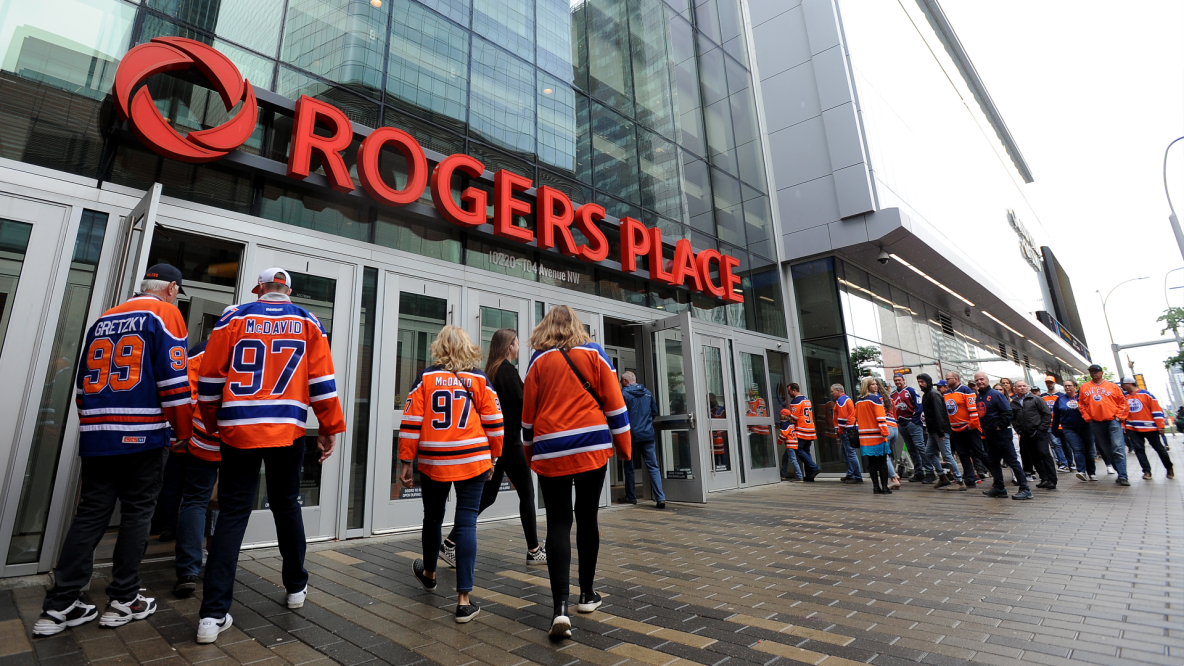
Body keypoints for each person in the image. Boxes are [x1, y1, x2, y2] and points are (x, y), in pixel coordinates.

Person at [33, 265, 192, 637]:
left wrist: (95, 427)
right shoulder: (166, 313)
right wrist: (183, 431)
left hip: (98, 434)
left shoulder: (104, 317)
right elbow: (174, 381)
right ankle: (123, 598)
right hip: (143, 434)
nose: (175, 297)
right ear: (171, 287)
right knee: (138, 513)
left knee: (90, 514)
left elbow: (81, 389)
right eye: (176, 291)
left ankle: (60, 605)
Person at [195, 268, 345, 644]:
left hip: (239, 427)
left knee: (232, 513)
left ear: (258, 289)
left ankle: (211, 616)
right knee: (286, 504)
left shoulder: (233, 316)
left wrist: (213, 421)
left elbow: (210, 378)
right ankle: (296, 588)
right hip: (285, 430)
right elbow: (322, 382)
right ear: (289, 291)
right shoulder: (308, 321)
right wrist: (328, 428)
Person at [522, 306, 631, 640]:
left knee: (557, 523)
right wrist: (626, 448)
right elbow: (615, 405)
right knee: (587, 517)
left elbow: (528, 417)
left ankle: (560, 609)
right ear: (577, 327)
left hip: (551, 447)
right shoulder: (595, 354)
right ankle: (587, 595)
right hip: (591, 447)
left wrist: (530, 452)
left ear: (546, 328)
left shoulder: (537, 360)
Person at [400, 325, 504, 623]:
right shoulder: (480, 379)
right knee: (467, 520)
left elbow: (410, 421)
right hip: (473, 459)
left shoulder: (426, 378)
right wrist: (493, 457)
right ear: (468, 348)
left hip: (434, 460)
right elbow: (496, 422)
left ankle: (430, 574)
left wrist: (406, 460)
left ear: (439, 347)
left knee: (432, 517)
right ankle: (463, 600)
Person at [439, 329, 545, 567]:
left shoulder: (493, 371)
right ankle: (534, 550)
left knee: (487, 496)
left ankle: (450, 544)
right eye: (517, 343)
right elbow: (522, 404)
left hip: (497, 443)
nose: (519, 347)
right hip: (509, 443)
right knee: (527, 493)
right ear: (509, 346)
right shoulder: (507, 371)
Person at [173, 340, 222, 597]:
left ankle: (187, 571)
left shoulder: (202, 352)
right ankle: (220, 566)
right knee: (232, 504)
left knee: (195, 500)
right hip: (240, 438)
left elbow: (184, 393)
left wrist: (183, 430)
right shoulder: (254, 343)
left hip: (203, 436)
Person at [973, 372, 1031, 499]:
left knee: (1012, 461)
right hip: (989, 435)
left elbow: (1008, 412)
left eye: (982, 379)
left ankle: (1025, 489)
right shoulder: (979, 397)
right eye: (977, 380)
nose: (979, 382)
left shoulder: (996, 395)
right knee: (993, 461)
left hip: (1002, 434)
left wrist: (1000, 426)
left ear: (987, 380)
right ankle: (999, 488)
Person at [1078, 364, 1130, 486]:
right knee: (1106, 450)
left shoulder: (1112, 386)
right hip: (1096, 422)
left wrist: (1118, 417)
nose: (1094, 373)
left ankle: (1123, 476)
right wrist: (1088, 418)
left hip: (1112, 421)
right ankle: (1119, 471)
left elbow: (1123, 403)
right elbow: (1081, 405)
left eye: (1096, 371)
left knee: (1118, 448)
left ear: (1102, 373)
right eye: (1091, 371)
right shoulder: (1085, 387)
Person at [620, 371, 665, 508]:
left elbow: (619, 413)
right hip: (647, 434)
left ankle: (631, 497)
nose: (621, 384)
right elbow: (654, 412)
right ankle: (660, 498)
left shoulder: (624, 394)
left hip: (630, 435)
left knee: (629, 467)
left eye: (622, 381)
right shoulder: (647, 393)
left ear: (626, 381)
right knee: (653, 466)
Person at [1120, 378, 1174, 479]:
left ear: (1130, 383)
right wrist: (1123, 425)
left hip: (1150, 427)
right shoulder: (1125, 397)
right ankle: (1146, 471)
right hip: (1133, 427)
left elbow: (1156, 410)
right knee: (1139, 450)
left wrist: (1160, 425)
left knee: (1159, 448)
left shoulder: (1147, 395)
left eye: (1123, 384)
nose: (1122, 387)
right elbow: (1123, 412)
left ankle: (1169, 467)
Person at [1010, 381, 1057, 490]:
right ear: (1015, 388)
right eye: (1020, 386)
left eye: (1024, 386)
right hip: (1026, 434)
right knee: (1035, 457)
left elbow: (1047, 414)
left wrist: (1041, 429)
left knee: (1044, 454)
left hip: (1039, 433)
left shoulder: (1036, 399)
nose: (1022, 388)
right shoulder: (1014, 403)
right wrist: (1018, 429)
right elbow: (1013, 417)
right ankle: (1044, 478)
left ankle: (1052, 480)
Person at [943, 372, 983, 489]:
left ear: (956, 379)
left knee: (979, 453)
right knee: (963, 455)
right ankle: (970, 480)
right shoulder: (946, 393)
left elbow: (973, 409)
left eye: (948, 379)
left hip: (969, 428)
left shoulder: (966, 390)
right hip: (955, 429)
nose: (946, 381)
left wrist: (973, 424)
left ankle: (996, 475)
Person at [916, 374, 957, 488]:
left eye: (922, 382)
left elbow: (939, 414)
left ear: (928, 382)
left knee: (947, 455)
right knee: (929, 453)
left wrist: (940, 431)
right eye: (919, 382)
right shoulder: (927, 395)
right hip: (933, 430)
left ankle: (959, 480)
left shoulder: (934, 394)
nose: (920, 384)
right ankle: (942, 476)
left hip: (940, 430)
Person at [854, 377, 892, 494]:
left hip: (865, 437)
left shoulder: (858, 401)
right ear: (868, 387)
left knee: (871, 464)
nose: (876, 386)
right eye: (873, 384)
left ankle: (876, 487)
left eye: (876, 384)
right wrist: (885, 432)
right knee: (882, 463)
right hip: (877, 436)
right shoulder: (875, 399)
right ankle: (885, 487)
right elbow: (880, 418)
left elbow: (856, 418)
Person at [1053, 379, 1096, 481]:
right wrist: (1055, 430)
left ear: (1075, 387)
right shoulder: (1060, 399)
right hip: (1069, 429)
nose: (1067, 387)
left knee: (1089, 451)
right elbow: (1056, 416)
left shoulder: (1082, 398)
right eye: (1065, 386)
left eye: (1069, 385)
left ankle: (1092, 472)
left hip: (1086, 427)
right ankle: (1081, 471)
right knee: (1077, 450)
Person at [890, 374, 927, 482]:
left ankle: (929, 471)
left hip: (913, 423)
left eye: (899, 380)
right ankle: (919, 472)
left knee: (920, 447)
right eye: (895, 380)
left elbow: (919, 406)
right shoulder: (892, 395)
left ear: (903, 380)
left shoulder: (911, 391)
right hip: (902, 425)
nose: (897, 382)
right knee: (911, 450)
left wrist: (914, 420)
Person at [781, 383, 820, 481]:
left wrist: (787, 418)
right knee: (806, 452)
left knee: (798, 449)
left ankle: (814, 468)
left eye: (789, 391)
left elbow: (794, 417)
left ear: (794, 390)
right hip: (810, 428)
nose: (788, 393)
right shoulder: (806, 399)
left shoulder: (796, 401)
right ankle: (809, 475)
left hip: (802, 429)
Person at [830, 384, 863, 483]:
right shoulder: (845, 399)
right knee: (845, 452)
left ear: (838, 390)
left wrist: (839, 429)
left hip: (846, 429)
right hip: (847, 429)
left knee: (850, 453)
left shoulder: (841, 400)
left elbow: (842, 417)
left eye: (832, 391)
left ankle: (857, 476)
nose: (831, 393)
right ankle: (851, 474)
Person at [876, 378, 902, 489]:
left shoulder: (875, 399)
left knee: (883, 454)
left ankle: (893, 477)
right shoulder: (889, 398)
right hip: (894, 428)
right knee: (887, 454)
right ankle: (894, 475)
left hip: (885, 428)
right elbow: (895, 415)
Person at [1043, 376, 1072, 472]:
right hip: (1050, 424)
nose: (1049, 384)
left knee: (1066, 444)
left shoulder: (1061, 396)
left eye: (1051, 382)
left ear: (1054, 383)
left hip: (1062, 423)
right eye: (1047, 382)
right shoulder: (1042, 396)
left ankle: (1070, 463)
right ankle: (1063, 463)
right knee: (1056, 444)